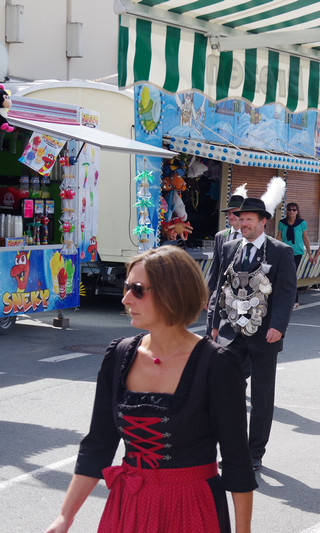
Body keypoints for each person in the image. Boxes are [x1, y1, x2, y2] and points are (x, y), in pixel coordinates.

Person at [46, 246, 256, 533]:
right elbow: (98, 445)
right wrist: (64, 518)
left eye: (137, 290)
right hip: (129, 507)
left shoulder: (217, 364)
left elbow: (236, 463)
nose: (125, 298)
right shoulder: (119, 355)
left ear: (173, 292)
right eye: (126, 287)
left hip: (192, 509)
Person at [210, 179, 297, 471]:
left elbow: (286, 292)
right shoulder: (230, 247)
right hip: (232, 333)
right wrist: (214, 324)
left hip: (264, 334)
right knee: (230, 393)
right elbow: (220, 287)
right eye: (241, 218)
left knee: (261, 395)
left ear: (263, 222)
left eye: (248, 219)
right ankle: (233, 449)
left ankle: (255, 451)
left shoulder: (280, 251)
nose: (243, 223)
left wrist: (278, 326)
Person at [205, 185, 246, 334]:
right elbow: (215, 267)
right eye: (228, 213)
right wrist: (208, 292)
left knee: (236, 330)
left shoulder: (250, 237)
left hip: (241, 292)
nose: (231, 216)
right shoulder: (221, 236)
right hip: (220, 291)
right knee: (211, 327)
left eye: (234, 212)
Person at [278, 202, 313, 309]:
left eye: (294, 210)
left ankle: (295, 300)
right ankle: (286, 298)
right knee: (285, 275)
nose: (291, 212)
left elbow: (305, 238)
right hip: (285, 252)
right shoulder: (282, 223)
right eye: (289, 210)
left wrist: (310, 253)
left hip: (297, 253)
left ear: (297, 211)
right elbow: (278, 237)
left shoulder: (301, 223)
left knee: (292, 274)